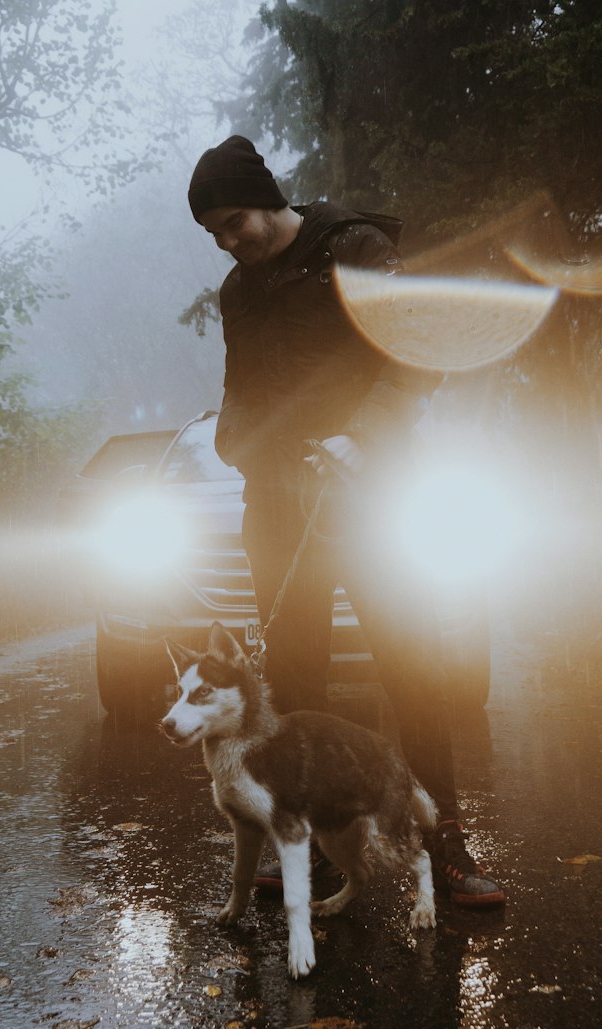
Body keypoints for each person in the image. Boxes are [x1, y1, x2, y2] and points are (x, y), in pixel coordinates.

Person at [187, 135, 504, 908]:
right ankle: (311, 849)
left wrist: (358, 438)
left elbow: (413, 355)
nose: (231, 242)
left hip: (375, 498)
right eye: (217, 234)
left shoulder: (354, 247)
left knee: (413, 672)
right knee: (295, 689)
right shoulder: (239, 291)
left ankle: (445, 845)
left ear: (268, 197)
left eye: (236, 222)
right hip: (279, 509)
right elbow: (240, 398)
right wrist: (249, 450)